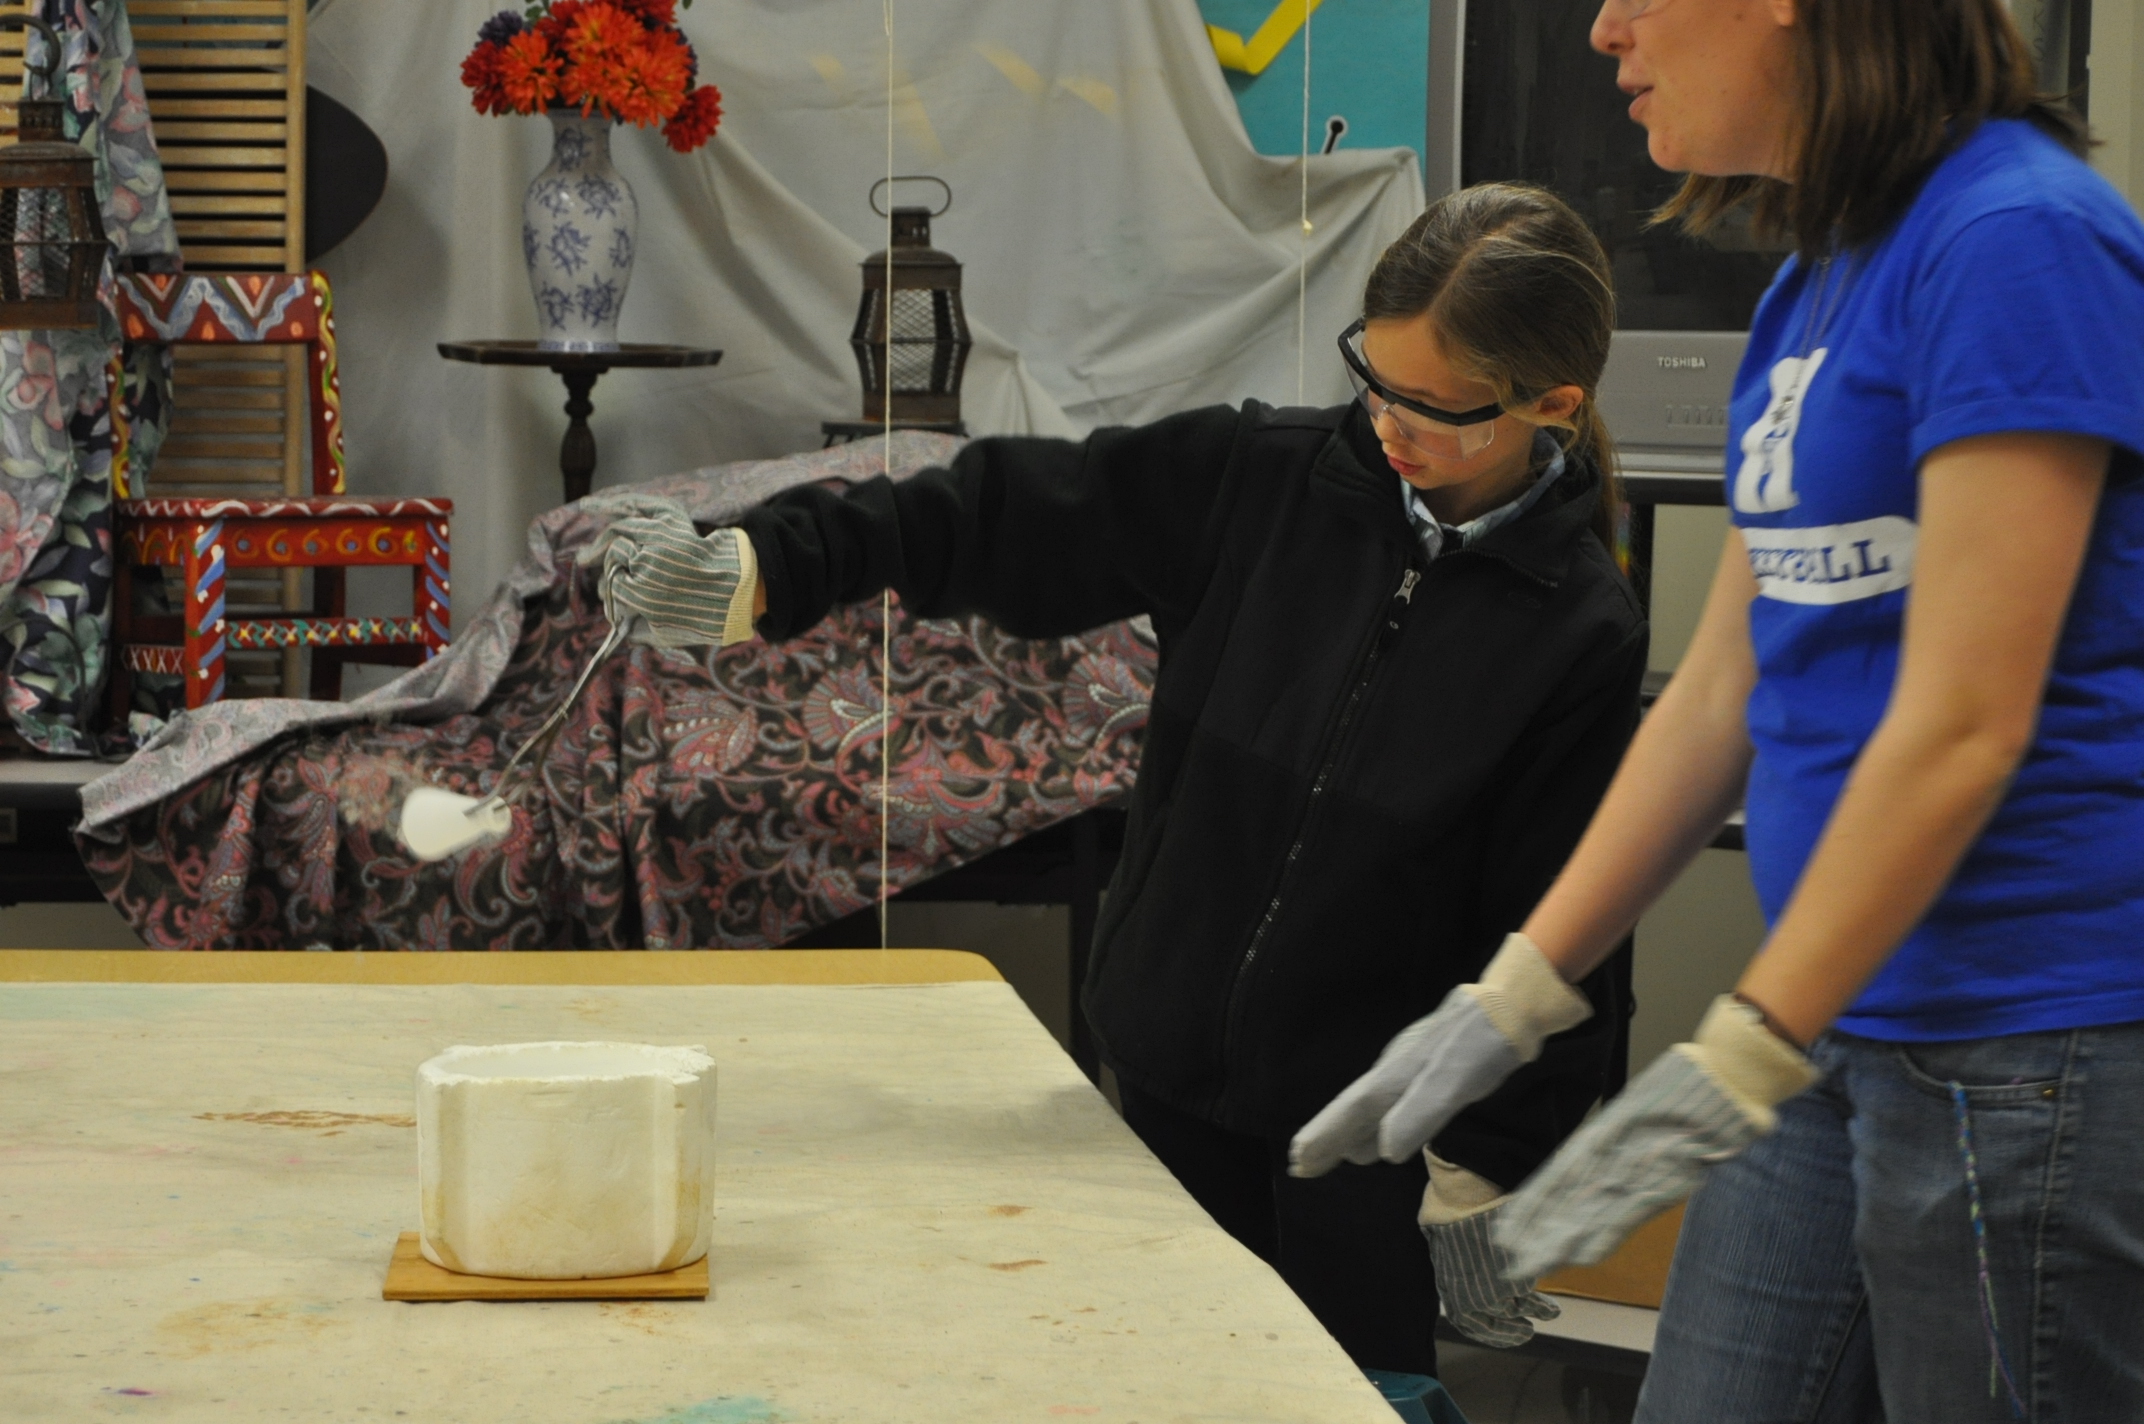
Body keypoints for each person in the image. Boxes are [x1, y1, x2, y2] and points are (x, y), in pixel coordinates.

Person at [588, 183, 1648, 1376]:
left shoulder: (1577, 629)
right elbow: (997, 509)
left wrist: (1487, 1172)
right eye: (1372, 378)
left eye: (1431, 408)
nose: (1385, 424)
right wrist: (763, 566)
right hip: (1161, 1092)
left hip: (1369, 1155)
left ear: (1549, 405)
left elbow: (1559, 916)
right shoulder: (1259, 478)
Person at [1294, 1, 2144, 1419]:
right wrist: (1515, 990)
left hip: (2021, 1041)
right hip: (1832, 1020)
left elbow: (1966, 722)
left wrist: (1739, 1046)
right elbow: (1721, 688)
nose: (1603, 30)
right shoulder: (1818, 277)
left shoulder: (2017, 238)